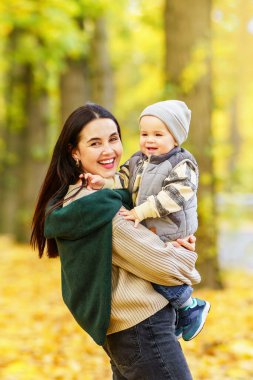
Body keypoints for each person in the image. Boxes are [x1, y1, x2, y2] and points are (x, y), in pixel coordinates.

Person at [31, 103, 201, 380]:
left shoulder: (78, 198)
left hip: (125, 330)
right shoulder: (102, 210)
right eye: (95, 143)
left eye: (113, 139)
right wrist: (186, 253)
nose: (109, 151)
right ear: (74, 151)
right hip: (143, 327)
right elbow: (172, 269)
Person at [85, 100, 210, 341]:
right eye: (144, 134)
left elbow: (174, 197)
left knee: (155, 268)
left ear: (175, 138)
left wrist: (141, 211)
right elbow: (123, 180)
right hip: (152, 227)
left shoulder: (182, 164)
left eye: (158, 134)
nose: (149, 140)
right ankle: (179, 313)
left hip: (172, 227)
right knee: (149, 270)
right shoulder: (138, 160)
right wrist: (104, 183)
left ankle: (189, 305)